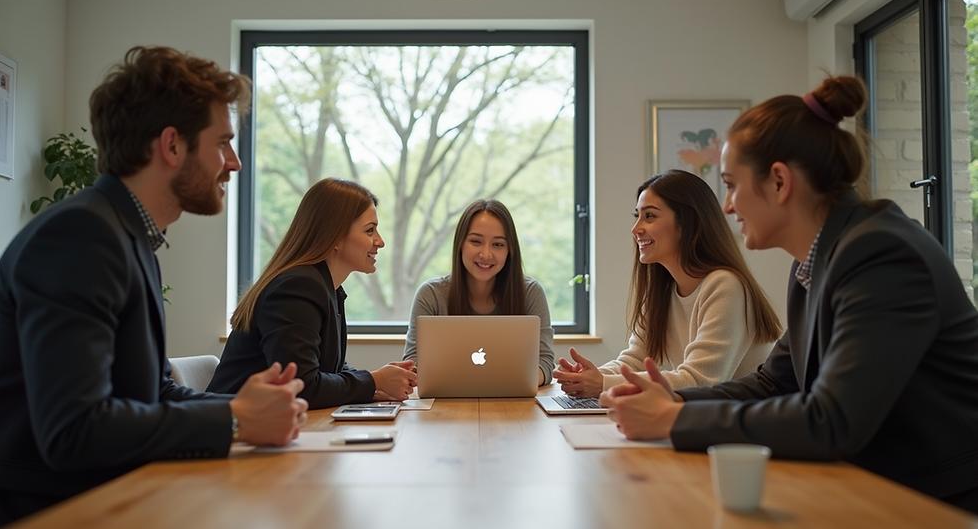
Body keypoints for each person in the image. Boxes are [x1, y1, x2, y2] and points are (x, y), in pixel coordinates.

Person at [600, 76, 978, 514]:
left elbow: (832, 420)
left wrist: (675, 418)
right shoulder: (813, 262)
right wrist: (674, 399)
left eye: (731, 185)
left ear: (779, 182)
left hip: (940, 501)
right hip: (878, 484)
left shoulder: (882, 254)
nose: (726, 206)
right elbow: (773, 382)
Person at [0, 46, 308, 525]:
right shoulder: (82, 236)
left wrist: (249, 405)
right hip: (56, 510)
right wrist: (237, 418)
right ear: (171, 145)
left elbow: (153, 392)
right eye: (223, 142)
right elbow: (74, 430)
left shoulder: (126, 234)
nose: (235, 163)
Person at [553, 170, 782, 398]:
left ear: (686, 223)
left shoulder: (725, 285)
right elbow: (634, 360)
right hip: (706, 421)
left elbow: (699, 381)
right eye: (637, 216)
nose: (636, 229)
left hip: (742, 426)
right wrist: (588, 377)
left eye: (650, 216)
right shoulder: (663, 291)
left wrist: (603, 383)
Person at [208, 178, 417, 407]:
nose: (380, 242)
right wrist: (373, 381)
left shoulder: (326, 287)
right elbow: (302, 386)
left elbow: (331, 370)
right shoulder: (298, 287)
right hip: (237, 431)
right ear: (335, 236)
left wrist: (378, 383)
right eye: (370, 230)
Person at [402, 199, 556, 386]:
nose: (486, 254)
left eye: (498, 244)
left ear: (510, 250)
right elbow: (411, 364)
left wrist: (505, 383)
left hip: (514, 404)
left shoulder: (531, 293)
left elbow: (546, 363)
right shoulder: (431, 295)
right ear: (460, 244)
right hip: (446, 404)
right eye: (476, 241)